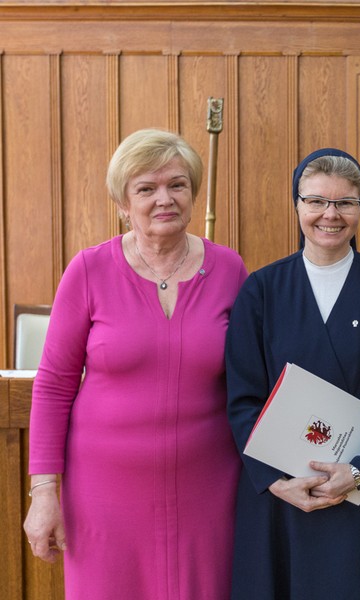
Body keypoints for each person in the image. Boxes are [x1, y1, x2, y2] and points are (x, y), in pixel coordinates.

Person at [23, 128, 249, 599]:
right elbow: (53, 386)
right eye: (146, 189)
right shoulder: (88, 270)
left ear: (192, 193)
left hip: (208, 492)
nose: (164, 199)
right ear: (123, 203)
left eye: (177, 184)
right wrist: (44, 491)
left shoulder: (230, 270)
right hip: (104, 497)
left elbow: (252, 379)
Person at [225, 148, 360, 599]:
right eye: (316, 201)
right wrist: (277, 482)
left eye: (344, 203)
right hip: (283, 495)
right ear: (297, 204)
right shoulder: (262, 289)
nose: (329, 215)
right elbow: (241, 396)